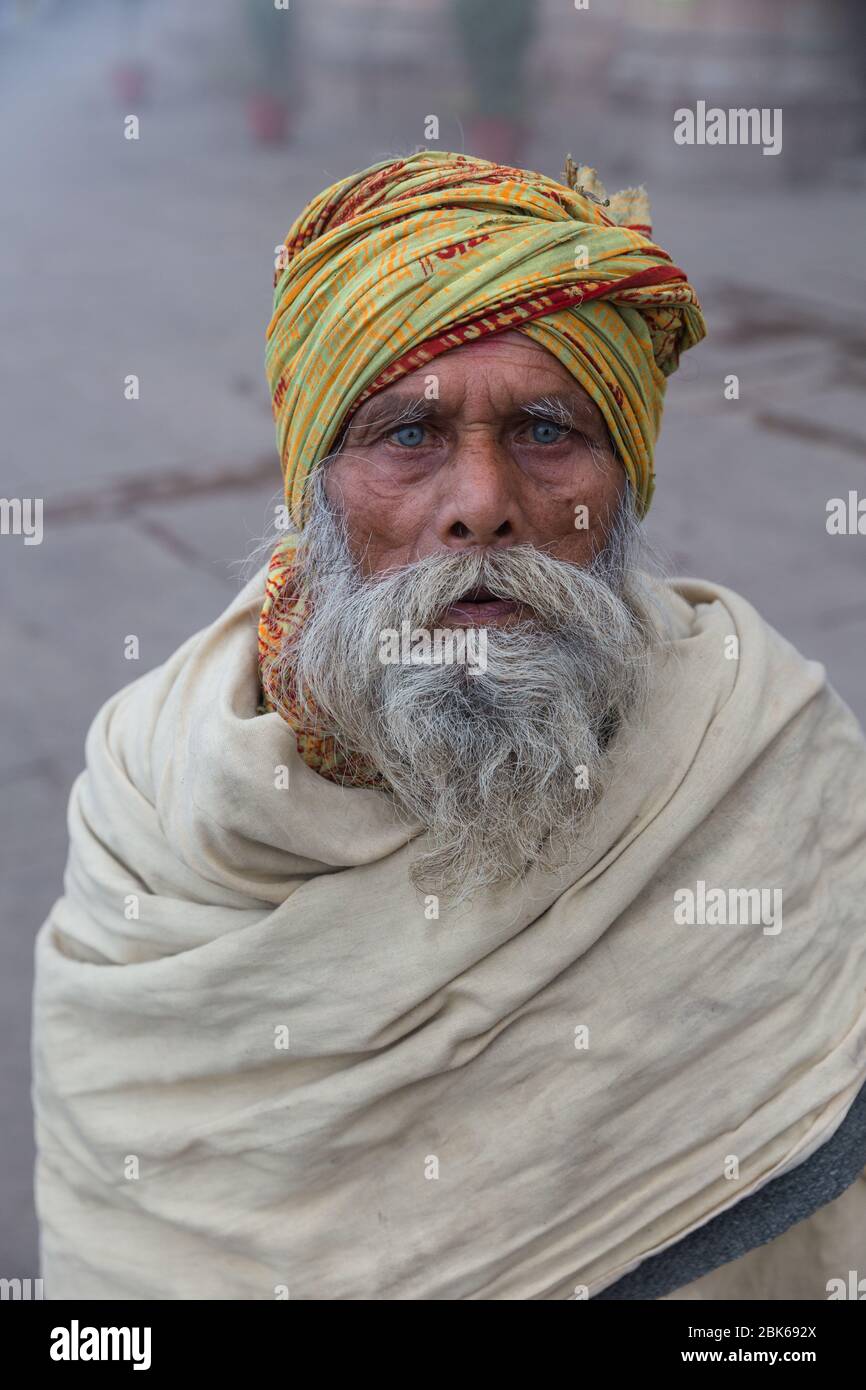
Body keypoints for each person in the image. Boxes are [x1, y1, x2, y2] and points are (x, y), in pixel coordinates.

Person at [32, 150, 866, 1300]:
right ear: (315, 482)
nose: (481, 503)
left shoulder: (765, 750)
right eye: (407, 437)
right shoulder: (150, 795)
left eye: (544, 431)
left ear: (622, 483)